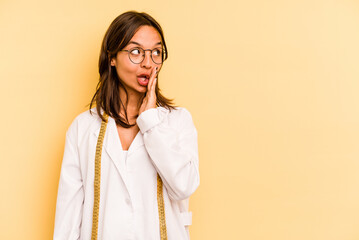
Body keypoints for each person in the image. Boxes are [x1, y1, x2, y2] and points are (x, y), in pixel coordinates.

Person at [53, 11, 200, 240]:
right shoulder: (82, 129)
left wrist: (150, 122)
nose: (148, 63)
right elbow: (68, 220)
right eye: (135, 52)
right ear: (112, 58)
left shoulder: (177, 121)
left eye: (156, 53)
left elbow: (183, 186)